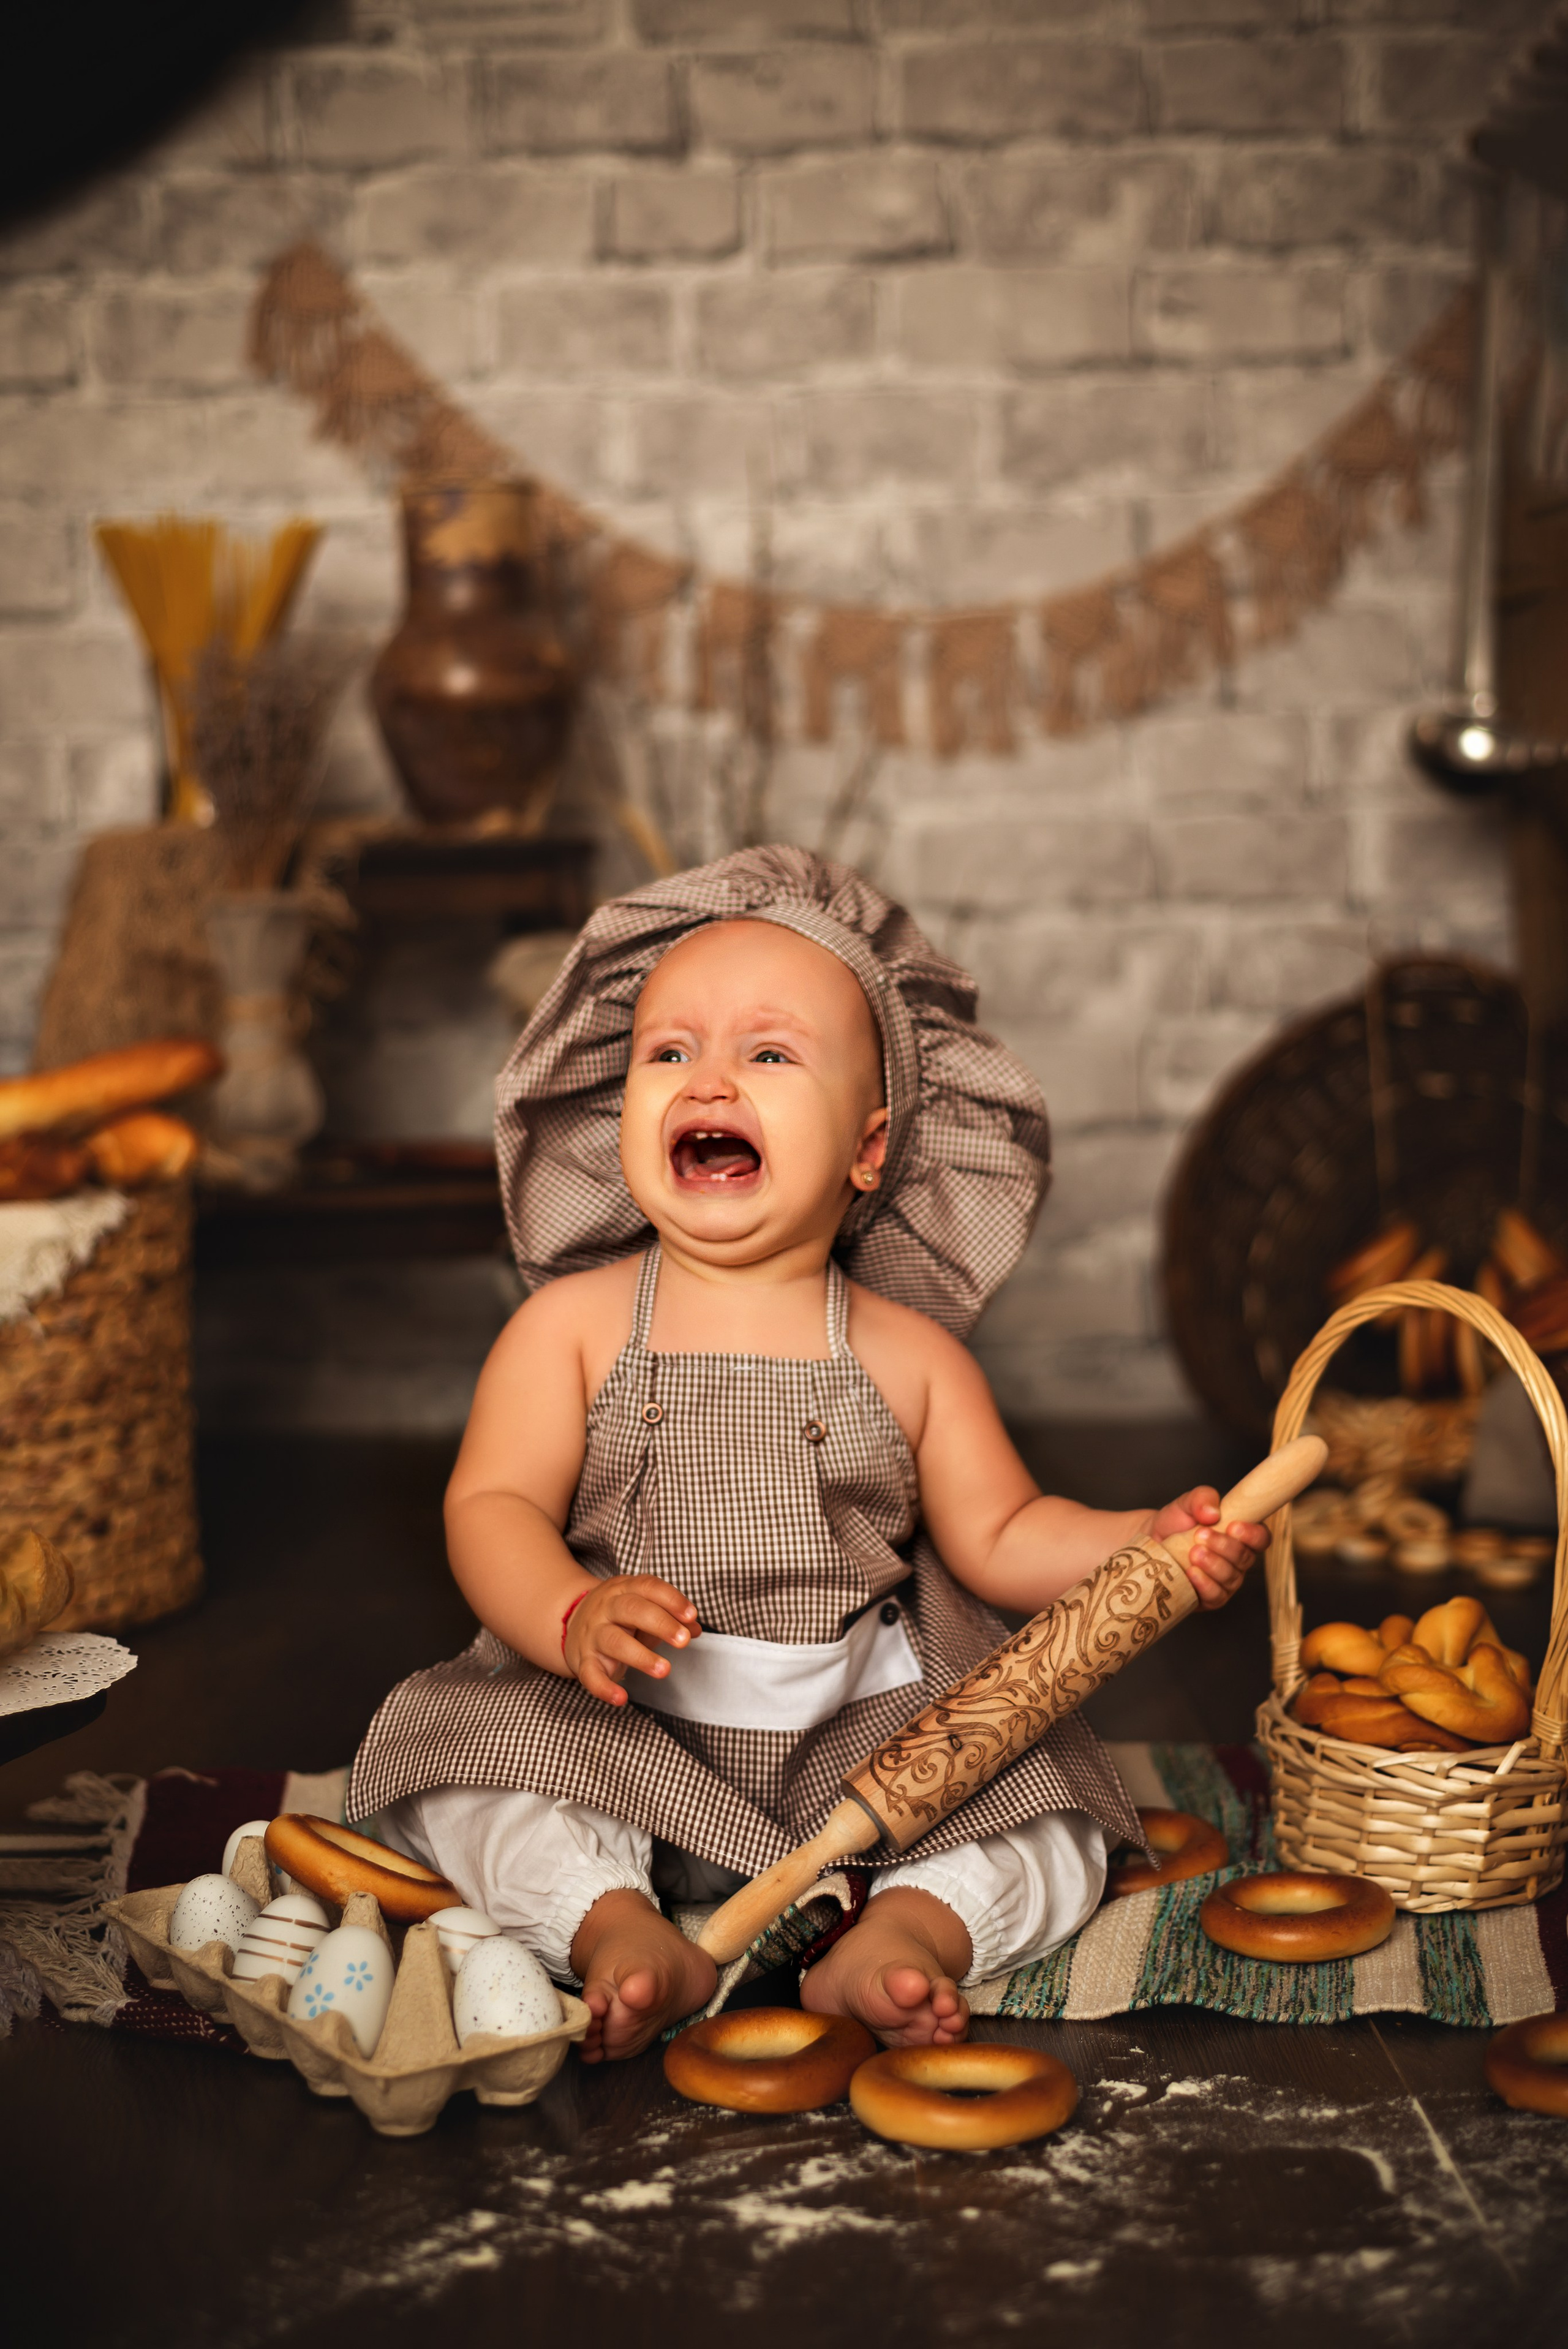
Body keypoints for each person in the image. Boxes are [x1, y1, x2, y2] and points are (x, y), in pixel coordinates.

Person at [349, 850, 1265, 2063]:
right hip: (620, 1726)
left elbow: (1001, 1534)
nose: (708, 1078)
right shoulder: (569, 1328)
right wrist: (568, 1613)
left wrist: (1142, 1545)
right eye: (668, 1052)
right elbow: (491, 1503)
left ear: (868, 1149)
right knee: (474, 1773)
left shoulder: (907, 1355)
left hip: (863, 1735)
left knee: (1048, 1815)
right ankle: (619, 1926)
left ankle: (901, 1935)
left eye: (769, 1055)